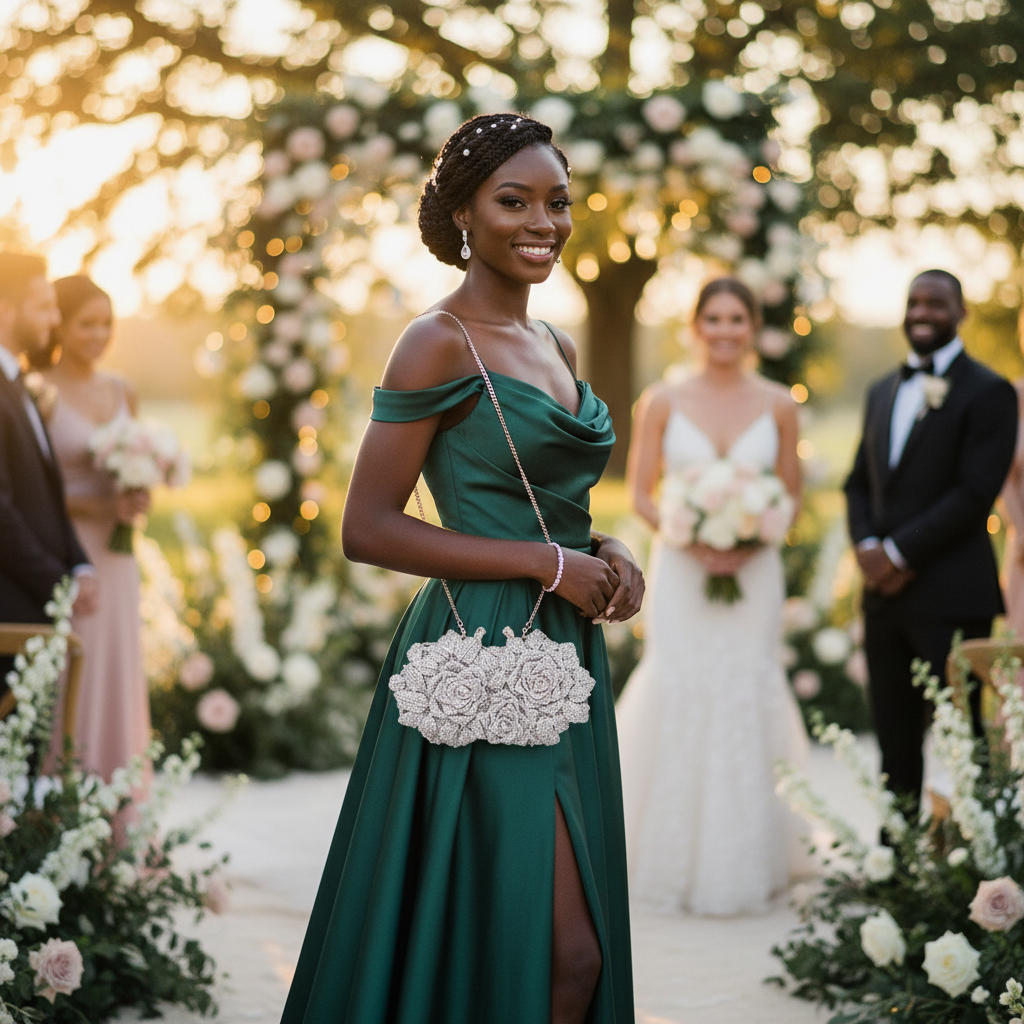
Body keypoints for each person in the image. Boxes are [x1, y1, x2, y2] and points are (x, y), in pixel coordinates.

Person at [280, 114, 644, 1024]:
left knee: (554, 941)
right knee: (559, 945)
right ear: (463, 217)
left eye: (557, 202)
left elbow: (549, 498)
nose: (543, 222)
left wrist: (606, 550)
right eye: (513, 200)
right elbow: (365, 527)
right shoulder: (436, 340)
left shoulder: (558, 345)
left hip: (564, 646)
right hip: (475, 651)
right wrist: (539, 561)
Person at [614, 277, 807, 916]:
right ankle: (662, 855)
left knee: (746, 686)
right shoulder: (662, 399)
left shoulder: (779, 403)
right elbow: (641, 492)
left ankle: (749, 859)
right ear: (695, 327)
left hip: (754, 575)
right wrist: (688, 534)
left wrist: (750, 540)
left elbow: (792, 494)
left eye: (737, 319)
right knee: (681, 681)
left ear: (753, 328)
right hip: (683, 570)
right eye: (714, 319)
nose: (725, 331)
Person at [844, 269, 1017, 814]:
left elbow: (974, 494)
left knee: (965, 741)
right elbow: (857, 484)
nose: (922, 313)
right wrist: (869, 548)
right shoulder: (882, 390)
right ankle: (897, 869)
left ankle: (979, 872)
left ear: (961, 312)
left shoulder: (990, 392)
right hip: (884, 599)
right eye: (913, 302)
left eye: (936, 304)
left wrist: (898, 554)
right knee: (894, 743)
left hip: (953, 597)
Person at [33, 275, 151, 781]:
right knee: (73, 676)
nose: (99, 335)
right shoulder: (39, 393)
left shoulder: (124, 389)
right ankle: (65, 802)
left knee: (120, 675)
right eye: (86, 324)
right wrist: (98, 504)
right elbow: (28, 493)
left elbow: (140, 464)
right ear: (59, 324)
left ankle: (121, 811)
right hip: (70, 553)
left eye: (106, 323)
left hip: (120, 557)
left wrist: (139, 497)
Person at [0, 253, 97, 706]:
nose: (55, 319)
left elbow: (47, 496)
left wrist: (79, 563)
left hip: (35, 606)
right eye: (43, 306)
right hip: (10, 607)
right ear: (5, 309)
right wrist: (60, 583)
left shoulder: (19, 383)